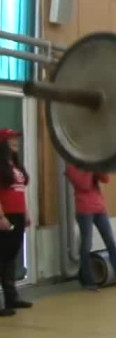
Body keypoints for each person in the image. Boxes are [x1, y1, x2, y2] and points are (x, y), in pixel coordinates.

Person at [66, 165, 116, 290]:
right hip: (84, 209)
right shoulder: (72, 168)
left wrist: (98, 167)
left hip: (99, 208)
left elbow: (105, 179)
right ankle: (88, 281)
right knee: (86, 245)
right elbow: (84, 185)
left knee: (110, 242)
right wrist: (90, 168)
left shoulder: (91, 166)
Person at [0, 129, 32, 317]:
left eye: (16, 139)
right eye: (11, 139)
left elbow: (19, 191)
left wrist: (25, 213)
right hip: (6, 215)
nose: (15, 142)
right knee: (2, 257)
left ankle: (11, 297)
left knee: (11, 256)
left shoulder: (15, 166)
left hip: (18, 214)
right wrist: (1, 216)